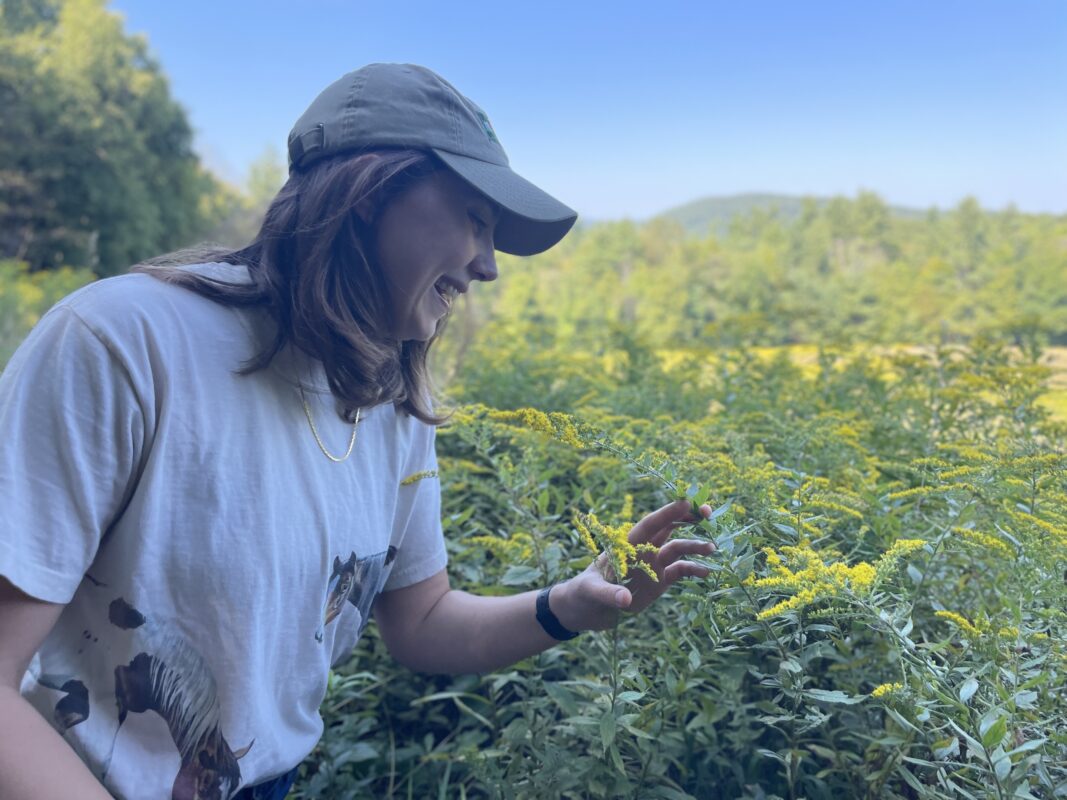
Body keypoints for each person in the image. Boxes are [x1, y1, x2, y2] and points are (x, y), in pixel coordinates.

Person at [0, 63, 714, 799]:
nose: (488, 265)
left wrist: (565, 607)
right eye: (475, 217)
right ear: (369, 193)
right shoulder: (123, 342)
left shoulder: (392, 406)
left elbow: (422, 620)